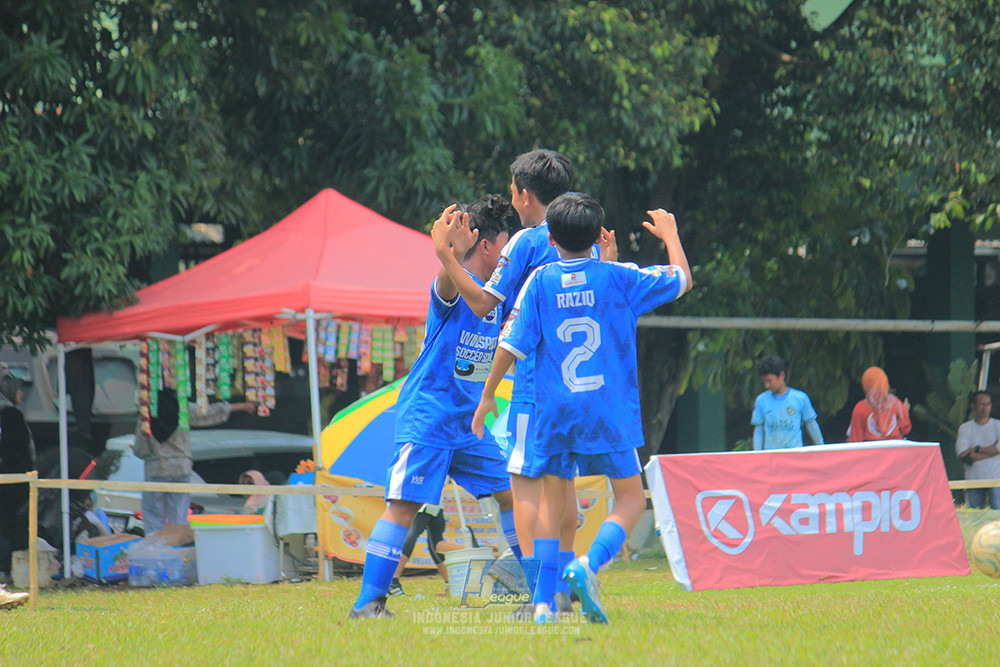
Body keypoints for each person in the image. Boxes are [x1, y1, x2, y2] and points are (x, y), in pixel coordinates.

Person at [473, 193, 692, 624]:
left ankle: (542, 605)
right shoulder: (618, 276)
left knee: (554, 508)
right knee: (629, 499)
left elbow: (511, 343)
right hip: (609, 410)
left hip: (555, 411)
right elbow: (682, 278)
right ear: (597, 237)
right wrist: (670, 235)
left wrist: (486, 397)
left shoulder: (538, 281)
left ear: (549, 238)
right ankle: (588, 566)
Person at [434, 149, 616, 612]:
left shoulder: (526, 243)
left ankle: (543, 594)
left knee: (525, 494)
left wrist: (447, 256)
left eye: (513, 190)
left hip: (535, 384)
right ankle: (563, 586)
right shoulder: (588, 243)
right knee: (564, 490)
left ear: (524, 194)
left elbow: (482, 303)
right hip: (582, 386)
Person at [349, 194, 519, 619]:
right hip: (428, 417)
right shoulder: (450, 284)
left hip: (467, 424)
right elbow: (448, 280)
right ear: (486, 246)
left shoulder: (497, 296)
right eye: (507, 243)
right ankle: (368, 603)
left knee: (512, 494)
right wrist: (447, 254)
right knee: (403, 508)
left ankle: (522, 576)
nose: (511, 252)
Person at [131, 389, 255, 534]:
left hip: (156, 470)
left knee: (153, 516)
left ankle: (154, 546)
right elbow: (208, 413)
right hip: (181, 469)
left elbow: (141, 449)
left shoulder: (145, 416)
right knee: (179, 514)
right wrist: (241, 406)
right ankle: (176, 544)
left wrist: (140, 450)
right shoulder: (182, 409)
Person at [0, 372, 35, 578]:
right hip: (12, 482)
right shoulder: (10, 414)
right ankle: (7, 565)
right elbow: (12, 447)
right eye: (19, 389)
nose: (22, 394)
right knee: (10, 523)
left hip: (11, 481)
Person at [751, 356, 824, 450]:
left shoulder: (800, 398)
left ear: (781, 376)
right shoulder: (761, 400)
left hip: (794, 456)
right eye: (764, 382)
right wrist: (757, 454)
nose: (766, 385)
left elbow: (811, 424)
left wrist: (822, 447)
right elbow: (758, 430)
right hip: (771, 457)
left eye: (769, 381)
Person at [387, 503, 448, 597]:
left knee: (436, 542)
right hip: (420, 501)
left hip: (434, 503)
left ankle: (451, 584)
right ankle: (392, 581)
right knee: (410, 536)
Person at [956, 391, 1000, 509]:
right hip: (974, 479)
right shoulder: (965, 428)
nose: (985, 408)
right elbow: (964, 455)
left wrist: (976, 449)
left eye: (988, 404)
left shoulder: (998, 426)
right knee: (975, 515)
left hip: (996, 480)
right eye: (981, 404)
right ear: (973, 406)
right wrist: (993, 451)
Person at [847, 366, 911, 442]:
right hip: (895, 452)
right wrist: (905, 412)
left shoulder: (860, 408)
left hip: (872, 453)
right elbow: (906, 430)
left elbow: (855, 440)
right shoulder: (897, 405)